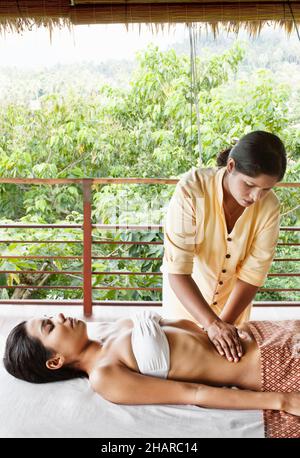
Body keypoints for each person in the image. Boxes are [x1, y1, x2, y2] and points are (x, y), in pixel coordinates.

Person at [3, 311, 300, 438]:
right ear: (54, 362)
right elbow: (193, 393)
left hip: (265, 333)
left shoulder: (109, 330)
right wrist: (282, 402)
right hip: (271, 367)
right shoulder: (105, 376)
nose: (60, 317)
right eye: (50, 327)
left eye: (50, 316)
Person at [162, 130, 287, 364]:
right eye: (249, 184)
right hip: (185, 307)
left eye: (266, 189)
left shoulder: (269, 207)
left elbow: (253, 274)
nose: (256, 197)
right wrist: (211, 324)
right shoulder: (192, 190)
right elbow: (178, 270)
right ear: (231, 166)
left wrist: (224, 325)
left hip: (233, 312)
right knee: (180, 367)